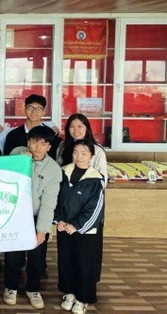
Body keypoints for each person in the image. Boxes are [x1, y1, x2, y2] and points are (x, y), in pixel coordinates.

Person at [4, 126, 62, 309]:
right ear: (28, 141)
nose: (38, 147)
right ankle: (11, 287)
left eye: (43, 143)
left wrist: (42, 230)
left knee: (37, 255)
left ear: (49, 147)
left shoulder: (53, 169)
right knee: (13, 254)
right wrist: (20, 161)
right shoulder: (17, 153)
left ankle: (33, 289)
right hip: (15, 214)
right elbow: (5, 176)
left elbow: (49, 202)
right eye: (34, 141)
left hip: (37, 216)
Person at [56, 113, 108, 283]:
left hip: (87, 209)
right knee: (67, 252)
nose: (76, 130)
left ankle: (87, 286)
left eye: (80, 126)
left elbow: (102, 182)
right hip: (67, 210)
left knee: (88, 252)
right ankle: (69, 288)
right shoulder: (63, 147)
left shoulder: (97, 150)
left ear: (87, 128)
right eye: (72, 126)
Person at [54, 139, 105, 314]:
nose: (79, 156)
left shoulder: (96, 179)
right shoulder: (63, 172)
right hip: (64, 227)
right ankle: (69, 294)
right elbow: (55, 198)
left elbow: (96, 208)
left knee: (85, 264)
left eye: (84, 153)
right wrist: (58, 220)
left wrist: (76, 225)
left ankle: (83, 299)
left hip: (85, 231)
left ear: (91, 156)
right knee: (66, 261)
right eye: (76, 152)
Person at [3, 94, 62, 159]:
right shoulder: (13, 135)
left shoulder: (51, 135)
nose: (34, 111)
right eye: (30, 108)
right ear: (25, 109)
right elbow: (7, 159)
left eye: (38, 109)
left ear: (44, 111)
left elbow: (54, 159)